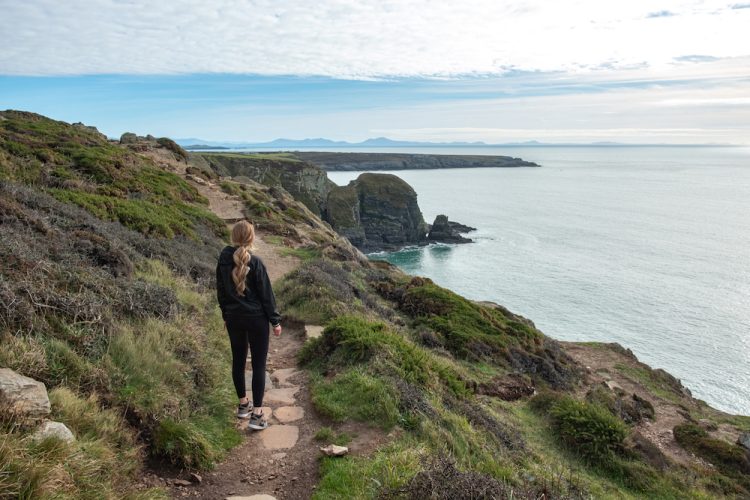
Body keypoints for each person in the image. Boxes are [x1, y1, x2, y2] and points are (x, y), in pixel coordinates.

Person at [216, 220, 282, 430]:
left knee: (238, 361)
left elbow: (221, 291)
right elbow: (266, 296)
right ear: (251, 238)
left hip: (234, 318)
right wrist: (275, 321)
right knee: (259, 366)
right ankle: (258, 415)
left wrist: (225, 314)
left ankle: (243, 405)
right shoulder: (257, 262)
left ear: (233, 237)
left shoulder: (223, 260)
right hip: (257, 319)